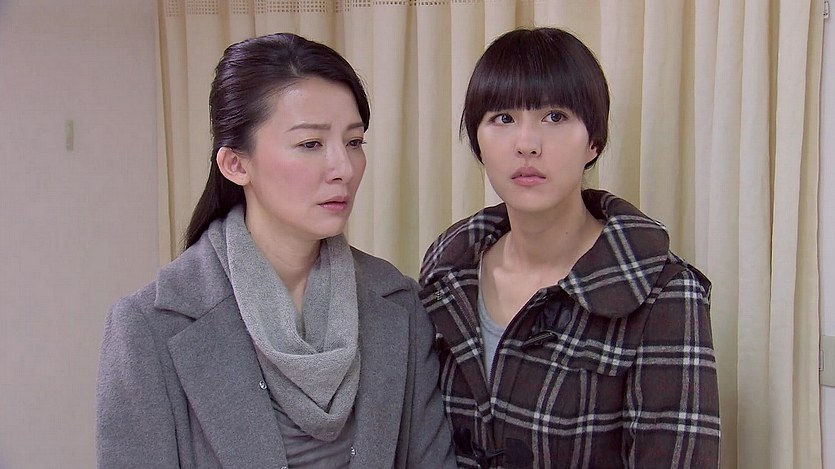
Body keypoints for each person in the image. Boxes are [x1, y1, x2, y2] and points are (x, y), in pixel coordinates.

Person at [96, 32, 457, 469]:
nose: (343, 168)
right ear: (236, 164)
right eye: (310, 144)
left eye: (354, 142)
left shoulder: (398, 303)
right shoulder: (149, 327)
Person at [419, 27, 721, 468]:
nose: (527, 144)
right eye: (503, 118)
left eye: (555, 116)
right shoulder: (449, 269)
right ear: (478, 141)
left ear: (593, 141)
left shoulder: (662, 293)